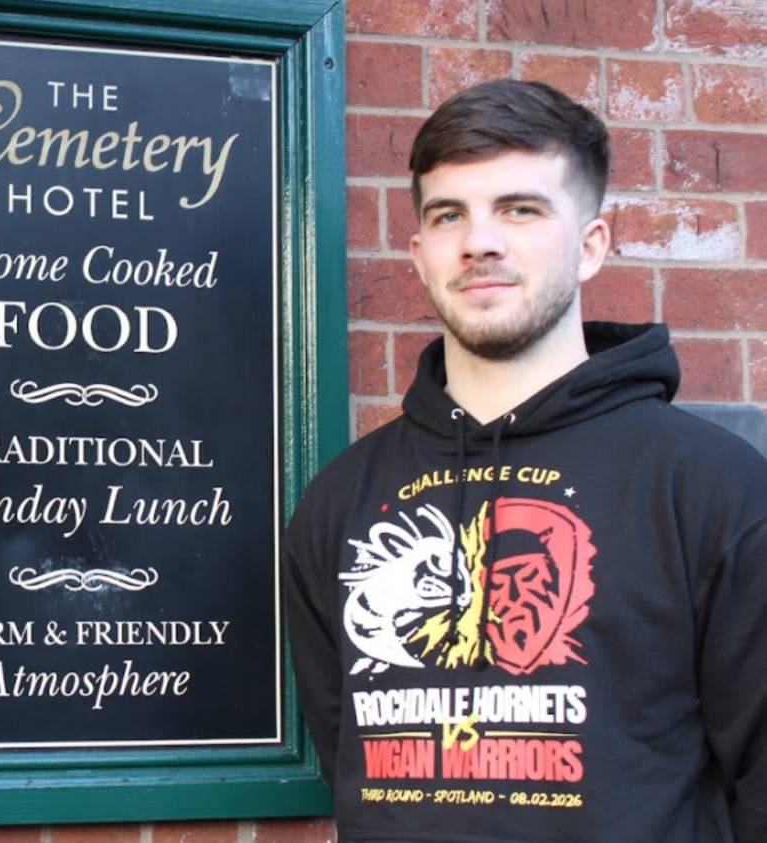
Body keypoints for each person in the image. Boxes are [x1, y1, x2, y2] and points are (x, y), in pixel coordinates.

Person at [285, 80, 767, 841]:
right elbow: (344, 741)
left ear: (591, 245)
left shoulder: (713, 488)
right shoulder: (342, 500)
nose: (480, 242)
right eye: (449, 215)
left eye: (520, 209)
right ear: (419, 255)